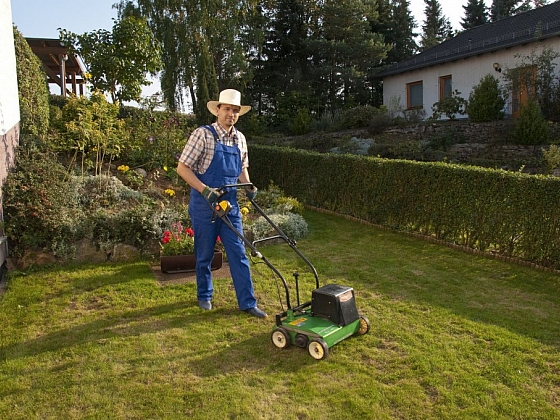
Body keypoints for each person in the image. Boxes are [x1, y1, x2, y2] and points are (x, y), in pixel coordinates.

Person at [176, 89, 267, 318]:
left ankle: (247, 302)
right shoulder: (202, 135)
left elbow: (242, 170)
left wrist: (248, 186)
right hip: (204, 203)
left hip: (230, 206)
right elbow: (182, 168)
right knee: (204, 253)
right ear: (218, 110)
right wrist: (205, 190)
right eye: (227, 109)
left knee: (239, 253)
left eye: (235, 110)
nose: (231, 114)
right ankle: (205, 295)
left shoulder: (240, 138)